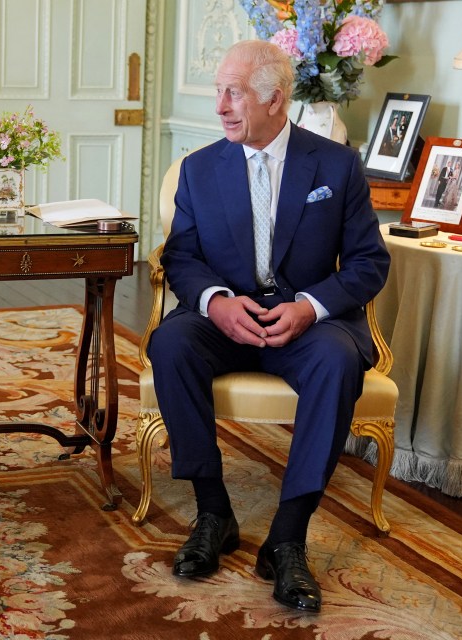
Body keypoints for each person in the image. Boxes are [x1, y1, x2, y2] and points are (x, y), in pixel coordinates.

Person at [147, 40, 390, 613]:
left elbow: (368, 262)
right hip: (224, 320)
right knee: (172, 341)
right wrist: (215, 302)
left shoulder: (334, 165)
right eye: (218, 91)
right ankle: (213, 512)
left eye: (233, 93)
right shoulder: (199, 169)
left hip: (304, 326)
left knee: (337, 359)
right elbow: (180, 257)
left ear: (275, 98)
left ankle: (288, 534)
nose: (220, 106)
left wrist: (309, 307)